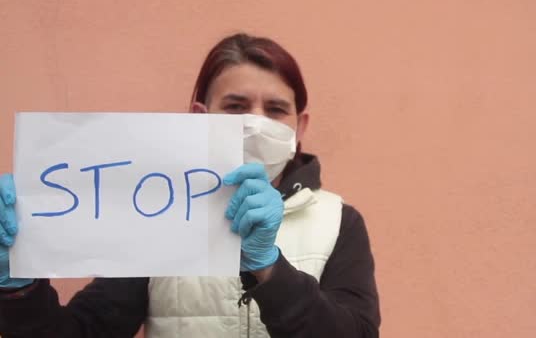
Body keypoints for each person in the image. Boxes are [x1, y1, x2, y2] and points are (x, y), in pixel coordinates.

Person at [0, 33, 380, 337]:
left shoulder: (338, 221)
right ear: (199, 116)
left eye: (276, 109)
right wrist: (19, 289)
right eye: (235, 106)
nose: (255, 122)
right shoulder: (153, 217)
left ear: (300, 126)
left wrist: (270, 271)